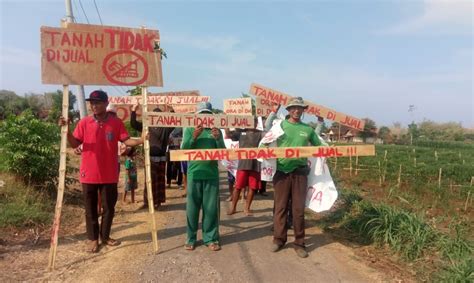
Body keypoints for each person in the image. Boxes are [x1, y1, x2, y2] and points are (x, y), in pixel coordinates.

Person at [58, 90, 144, 253]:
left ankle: (105, 236)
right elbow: (75, 144)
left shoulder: (116, 123)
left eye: (97, 102)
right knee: (90, 209)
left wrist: (141, 140)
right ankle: (92, 239)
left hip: (109, 173)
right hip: (88, 174)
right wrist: (67, 131)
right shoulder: (84, 123)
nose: (94, 105)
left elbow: (127, 140)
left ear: (105, 103)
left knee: (109, 208)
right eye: (92, 103)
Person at [263, 97, 322, 258]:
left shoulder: (307, 129)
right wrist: (274, 111)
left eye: (300, 108)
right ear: (288, 110)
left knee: (298, 210)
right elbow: (266, 134)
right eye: (293, 108)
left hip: (300, 173)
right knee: (280, 208)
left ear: (303, 111)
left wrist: (331, 149)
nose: (297, 110)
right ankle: (278, 240)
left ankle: (299, 243)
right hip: (281, 172)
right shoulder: (280, 125)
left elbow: (319, 145)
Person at [181, 102, 225, 251]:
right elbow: (183, 150)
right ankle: (190, 238)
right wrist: (193, 137)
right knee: (192, 209)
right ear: (197, 115)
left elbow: (223, 152)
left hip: (211, 174)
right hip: (194, 174)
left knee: (211, 209)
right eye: (201, 115)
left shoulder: (216, 131)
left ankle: (211, 238)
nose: (204, 118)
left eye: (207, 114)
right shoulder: (189, 129)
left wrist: (218, 139)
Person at [130, 104, 174, 209]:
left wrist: (171, 111)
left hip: (161, 158)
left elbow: (173, 122)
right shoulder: (146, 126)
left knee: (159, 181)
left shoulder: (166, 127)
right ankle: (147, 203)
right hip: (150, 158)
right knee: (149, 181)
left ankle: (158, 203)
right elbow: (133, 124)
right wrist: (133, 111)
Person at [226, 117, 264, 216]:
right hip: (242, 165)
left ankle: (247, 208)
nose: (252, 124)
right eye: (250, 121)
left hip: (255, 165)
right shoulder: (240, 132)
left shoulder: (261, 133)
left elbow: (270, 137)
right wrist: (226, 122)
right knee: (238, 187)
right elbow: (228, 135)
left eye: (254, 121)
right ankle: (233, 207)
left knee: (252, 188)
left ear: (256, 123)